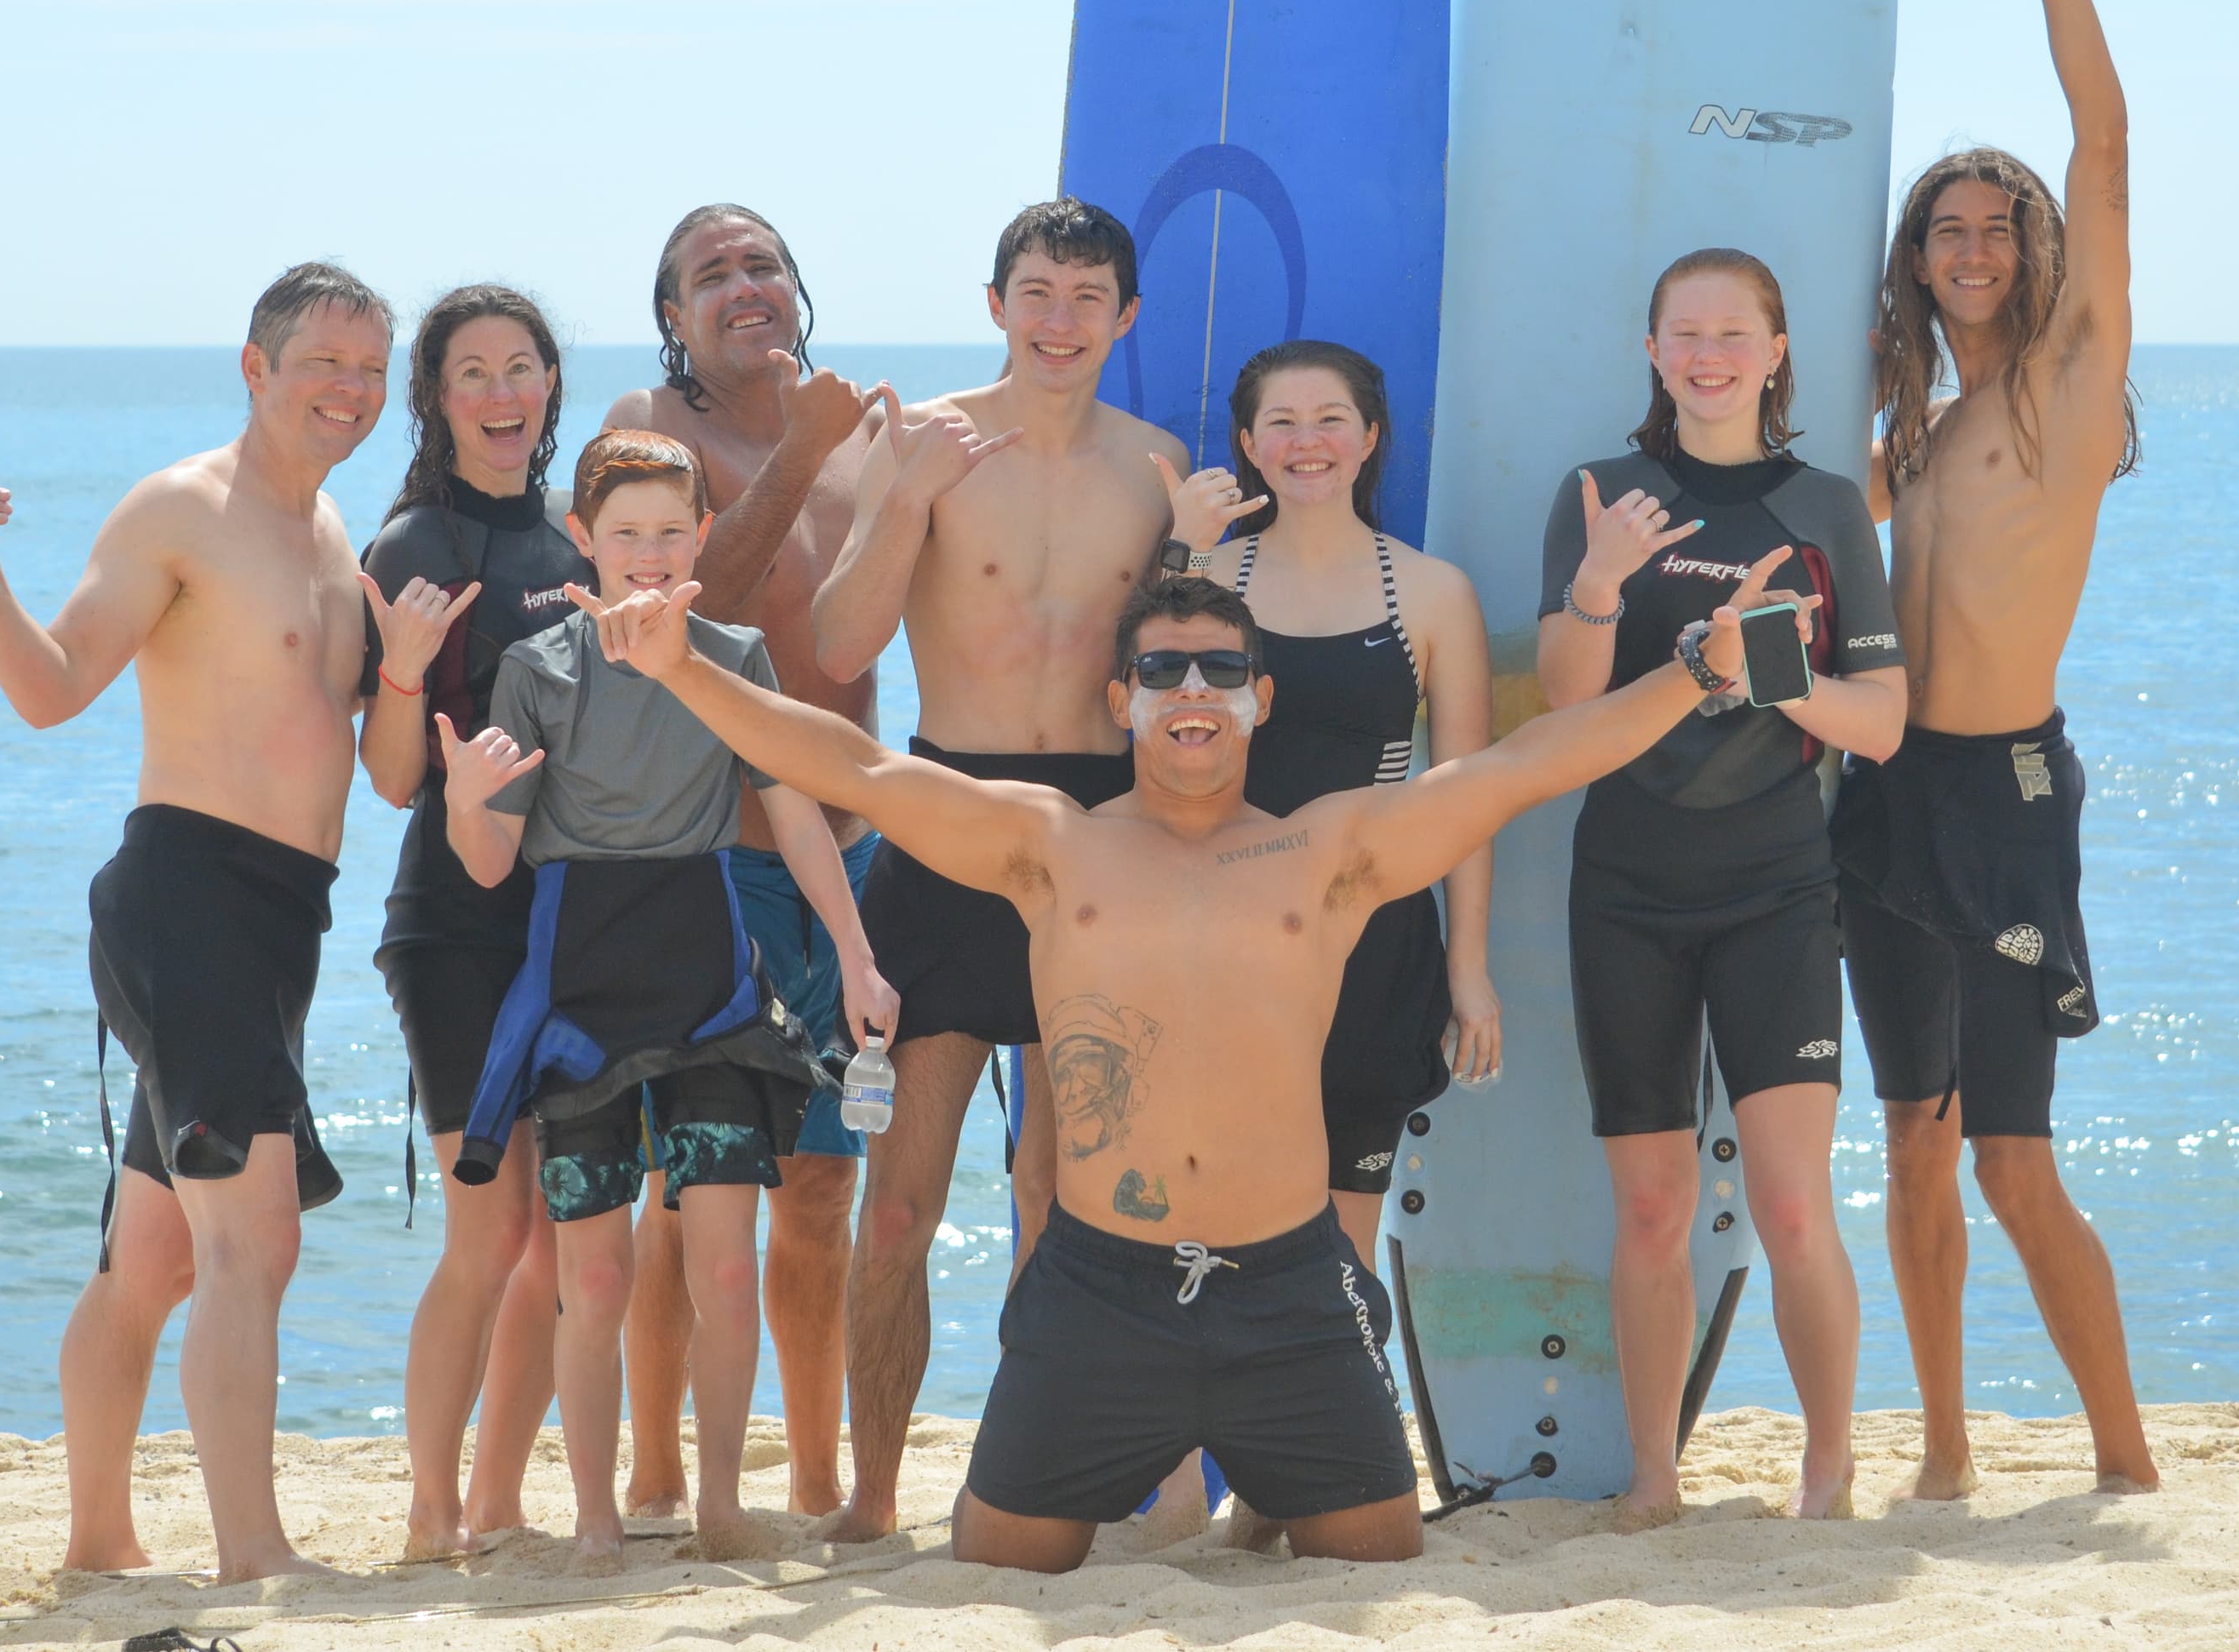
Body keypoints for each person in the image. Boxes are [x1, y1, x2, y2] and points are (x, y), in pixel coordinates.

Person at [582, 567, 1786, 1574]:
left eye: (1220, 668)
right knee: (999, 1560)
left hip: (1292, 1289)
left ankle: (1265, 1490)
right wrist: (683, 667)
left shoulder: (1330, 849)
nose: (1193, 688)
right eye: (1163, 669)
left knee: (1380, 1552)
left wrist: (1698, 668)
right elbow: (857, 768)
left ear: (1262, 698)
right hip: (1101, 1289)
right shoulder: (1050, 844)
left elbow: (1524, 767)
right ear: (1123, 700)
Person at [0, 260, 394, 1582]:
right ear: (255, 367)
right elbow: (54, 685)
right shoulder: (183, 506)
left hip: (277, 926)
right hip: (189, 900)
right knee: (256, 1237)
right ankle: (254, 1550)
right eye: (323, 362)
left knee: (154, 1259)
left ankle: (99, 1540)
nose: (350, 388)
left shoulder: (335, 533)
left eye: (370, 368)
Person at [1840, 0, 2156, 1499]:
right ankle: (1947, 1455)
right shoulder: (1918, 433)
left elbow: (2104, 139)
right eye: (1943, 231)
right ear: (1917, 260)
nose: (1971, 248)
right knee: (1913, 1137)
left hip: (2009, 796)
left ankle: (2126, 1460)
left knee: (2015, 1160)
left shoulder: (2066, 389)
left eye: (1995, 226)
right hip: (1888, 789)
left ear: (2034, 247)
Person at [436, 429, 897, 1566]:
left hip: (709, 986)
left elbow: (794, 811)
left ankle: (723, 1504)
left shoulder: (734, 655)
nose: (649, 551)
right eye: (626, 531)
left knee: (725, 1262)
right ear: (582, 540)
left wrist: (854, 954)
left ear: (703, 537)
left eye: (671, 531)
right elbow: (489, 866)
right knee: (594, 1273)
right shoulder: (536, 668)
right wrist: (462, 798)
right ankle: (597, 1515)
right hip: (578, 991)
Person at [806, 198, 1184, 1542]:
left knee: (1067, 1201)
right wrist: (906, 495)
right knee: (899, 1201)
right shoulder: (923, 443)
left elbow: (1190, 677)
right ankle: (871, 1497)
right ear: (995, 303)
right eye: (1037, 290)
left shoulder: (1158, 468)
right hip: (947, 820)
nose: (1059, 319)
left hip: (1097, 835)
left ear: (1125, 315)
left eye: (1087, 296)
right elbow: (840, 644)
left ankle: (1038, 1481)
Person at [1539, 251, 1908, 1524]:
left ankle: (1829, 1468)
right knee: (1653, 1205)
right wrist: (1599, 582)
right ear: (1652, 350)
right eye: (1685, 334)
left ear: (1776, 349)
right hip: (1626, 886)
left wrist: (1773, 676)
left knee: (1793, 1202)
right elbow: (1568, 708)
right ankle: (1655, 1472)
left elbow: (1882, 723)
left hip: (1776, 890)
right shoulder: (1602, 495)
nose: (1709, 355)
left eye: (1733, 333)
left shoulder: (1826, 509)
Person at [596, 206, 880, 1524]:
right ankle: (658, 1473)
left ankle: (818, 1477)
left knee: (823, 1185)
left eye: (763, 262)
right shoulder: (648, 425)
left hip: (855, 861)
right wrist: (806, 448)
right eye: (712, 273)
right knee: (686, 1187)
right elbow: (680, 609)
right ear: (674, 313)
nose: (745, 285)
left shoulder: (861, 436)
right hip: (713, 862)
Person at [1162, 339, 1503, 1270]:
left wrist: (1468, 968)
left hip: (1374, 938)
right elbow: (1140, 738)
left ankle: (1345, 1371)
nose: (1306, 441)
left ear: (1370, 438)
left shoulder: (1433, 593)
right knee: (1213, 1226)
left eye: (1330, 420)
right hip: (1222, 936)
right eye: (1281, 422)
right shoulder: (1206, 583)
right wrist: (1181, 550)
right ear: (1248, 444)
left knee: (1346, 1239)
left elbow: (1467, 799)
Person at [353, 284, 595, 1559]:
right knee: (490, 1227)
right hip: (452, 923)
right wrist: (400, 669)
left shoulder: (577, 543)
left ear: (550, 383)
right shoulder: (413, 546)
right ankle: (430, 1503)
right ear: (438, 400)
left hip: (571, 918)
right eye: (472, 374)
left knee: (558, 1232)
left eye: (521, 367)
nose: (502, 393)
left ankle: (499, 1498)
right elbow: (392, 776)